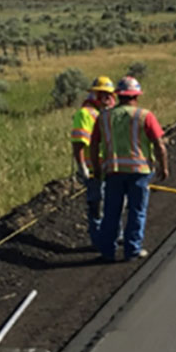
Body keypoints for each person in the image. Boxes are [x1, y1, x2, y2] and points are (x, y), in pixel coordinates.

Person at [90, 76, 170, 262]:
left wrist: (96, 169)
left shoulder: (104, 117)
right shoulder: (145, 116)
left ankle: (107, 251)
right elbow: (159, 144)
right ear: (136, 96)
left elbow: (94, 145)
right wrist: (163, 167)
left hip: (113, 171)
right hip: (139, 173)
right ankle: (132, 250)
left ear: (118, 95)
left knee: (111, 211)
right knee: (136, 211)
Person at [71, 76, 116, 248]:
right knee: (97, 205)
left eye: (109, 95)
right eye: (103, 94)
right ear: (94, 94)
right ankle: (98, 240)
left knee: (112, 204)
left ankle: (113, 236)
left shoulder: (106, 113)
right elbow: (78, 143)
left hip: (110, 168)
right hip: (94, 170)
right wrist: (82, 167)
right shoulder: (85, 114)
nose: (108, 98)